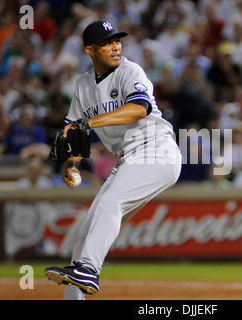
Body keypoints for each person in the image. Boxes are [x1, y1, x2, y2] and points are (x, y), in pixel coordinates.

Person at [45, 21, 182, 300]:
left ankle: (89, 271)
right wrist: (71, 165)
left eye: (117, 40)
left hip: (156, 150)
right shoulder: (82, 85)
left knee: (109, 203)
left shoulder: (129, 70)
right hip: (129, 160)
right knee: (87, 231)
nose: (116, 46)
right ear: (90, 50)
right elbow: (75, 131)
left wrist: (89, 122)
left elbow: (139, 109)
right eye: (107, 43)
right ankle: (75, 293)